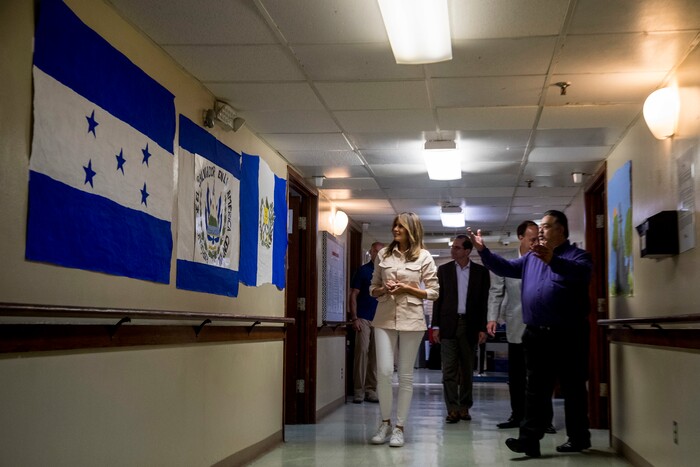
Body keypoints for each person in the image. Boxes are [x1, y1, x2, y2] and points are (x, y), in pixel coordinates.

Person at [467, 210, 592, 458]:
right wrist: (483, 251)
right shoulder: (531, 258)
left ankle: (578, 438)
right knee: (535, 389)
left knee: (573, 388)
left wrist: (552, 260)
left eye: (546, 226)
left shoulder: (579, 256)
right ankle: (529, 441)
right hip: (536, 334)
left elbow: (579, 274)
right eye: (540, 227)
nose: (541, 231)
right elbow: (505, 267)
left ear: (561, 230)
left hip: (569, 334)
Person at [368, 212, 439, 448]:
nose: (395, 229)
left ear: (411, 229)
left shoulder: (424, 256)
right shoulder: (383, 254)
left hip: (412, 318)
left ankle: (399, 427)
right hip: (385, 316)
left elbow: (433, 292)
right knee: (385, 371)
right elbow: (373, 288)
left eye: (400, 226)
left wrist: (408, 288)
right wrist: (385, 289)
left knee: (406, 375)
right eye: (394, 225)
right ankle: (385, 422)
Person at [487, 221, 556, 434]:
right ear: (521, 237)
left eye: (539, 239)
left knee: (542, 377)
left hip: (542, 327)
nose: (536, 243)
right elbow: (496, 292)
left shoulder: (545, 258)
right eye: (532, 239)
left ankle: (545, 420)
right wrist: (492, 318)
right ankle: (517, 415)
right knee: (516, 377)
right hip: (516, 325)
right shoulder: (507, 261)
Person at [431, 235, 490, 424]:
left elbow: (483, 303)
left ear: (467, 251)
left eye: (457, 248)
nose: (453, 250)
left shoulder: (480, 272)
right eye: (452, 247)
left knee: (466, 370)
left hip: (470, 325)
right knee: (448, 370)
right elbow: (437, 301)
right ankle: (452, 409)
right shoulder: (444, 270)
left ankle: (464, 407)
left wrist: (483, 328)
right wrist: (436, 325)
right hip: (448, 324)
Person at [348, 241, 384, 404]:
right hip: (363, 317)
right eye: (376, 251)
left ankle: (371, 389)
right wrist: (354, 317)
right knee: (362, 351)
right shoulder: (363, 271)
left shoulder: (387, 273)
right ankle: (358, 391)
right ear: (371, 252)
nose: (378, 254)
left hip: (381, 319)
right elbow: (354, 294)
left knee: (376, 355)